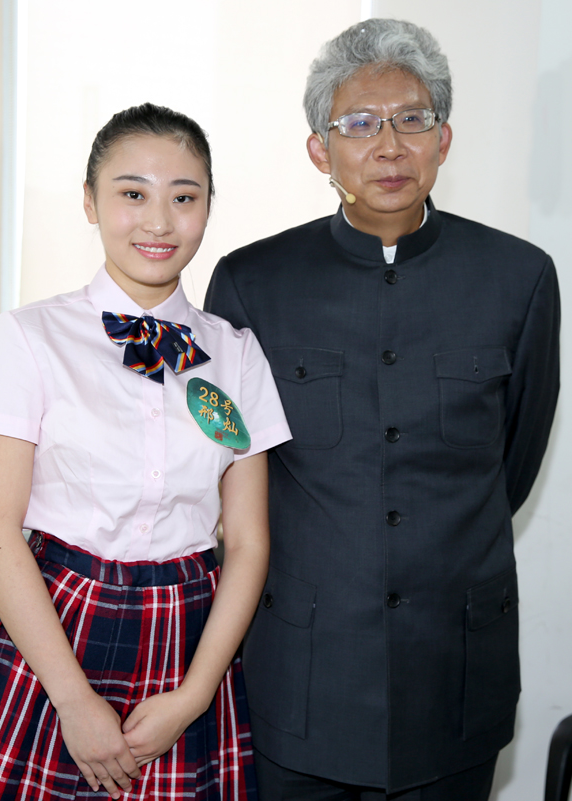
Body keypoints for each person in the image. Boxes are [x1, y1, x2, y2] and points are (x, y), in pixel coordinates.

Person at [205, 18, 560, 801]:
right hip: (304, 670)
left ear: (445, 139)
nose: (390, 146)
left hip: (453, 668)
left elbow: (514, 456)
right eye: (359, 124)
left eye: (412, 119)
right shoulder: (251, 282)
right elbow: (230, 471)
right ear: (319, 150)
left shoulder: (520, 277)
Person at [0, 102, 291, 801]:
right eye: (133, 194)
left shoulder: (236, 353)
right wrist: (73, 699)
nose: (159, 222)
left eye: (184, 197)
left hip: (189, 639)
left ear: (208, 206)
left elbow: (249, 541)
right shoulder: (30, 336)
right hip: (55, 632)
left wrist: (195, 695)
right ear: (89, 201)